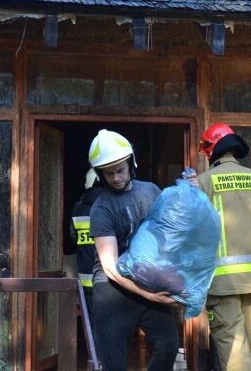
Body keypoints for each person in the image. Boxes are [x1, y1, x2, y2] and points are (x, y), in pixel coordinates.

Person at [191, 123, 251, 371]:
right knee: (249, 351)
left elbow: (193, 234)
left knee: (234, 356)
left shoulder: (202, 183)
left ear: (211, 151)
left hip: (221, 286)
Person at [87, 129, 180, 371]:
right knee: (114, 363)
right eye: (109, 173)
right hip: (113, 289)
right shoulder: (100, 209)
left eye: (119, 170)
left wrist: (189, 193)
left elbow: (171, 229)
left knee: (169, 344)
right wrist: (151, 296)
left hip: (148, 279)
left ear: (131, 164)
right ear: (100, 174)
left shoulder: (151, 191)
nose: (116, 177)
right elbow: (110, 266)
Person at [69, 168, 101, 339]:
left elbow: (73, 237)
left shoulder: (77, 207)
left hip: (85, 275)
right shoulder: (108, 204)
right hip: (108, 278)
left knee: (91, 322)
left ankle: (95, 361)